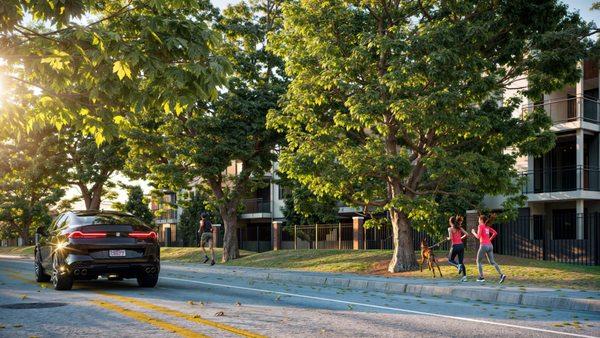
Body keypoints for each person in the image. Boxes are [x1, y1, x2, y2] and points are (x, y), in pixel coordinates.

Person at [471, 213, 506, 283]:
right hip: (490, 246)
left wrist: (473, 232)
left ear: (481, 220)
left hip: (483, 245)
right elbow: (495, 233)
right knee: (492, 262)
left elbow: (478, 236)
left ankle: (481, 277)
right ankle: (502, 275)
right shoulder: (487, 227)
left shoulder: (480, 226)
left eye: (478, 219)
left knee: (478, 261)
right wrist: (489, 240)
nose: (478, 221)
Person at [447, 215, 468, 282]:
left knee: (450, 260)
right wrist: (460, 238)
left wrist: (448, 238)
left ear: (450, 222)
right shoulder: (459, 228)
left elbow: (451, 238)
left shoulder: (450, 229)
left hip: (455, 246)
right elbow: (467, 234)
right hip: (461, 246)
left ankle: (457, 266)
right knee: (461, 262)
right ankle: (464, 277)